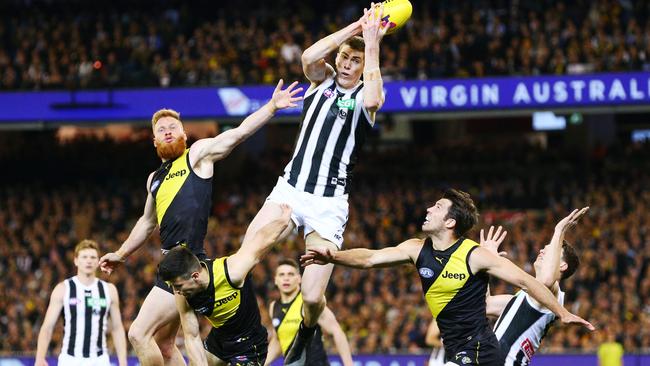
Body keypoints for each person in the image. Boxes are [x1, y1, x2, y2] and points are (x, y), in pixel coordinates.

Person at [98, 80, 302, 366]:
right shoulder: (153, 180)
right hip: (171, 268)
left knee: (138, 334)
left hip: (187, 265)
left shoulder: (197, 156)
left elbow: (239, 133)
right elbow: (146, 223)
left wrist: (271, 107)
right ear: (154, 141)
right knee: (166, 346)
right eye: (161, 130)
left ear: (184, 133)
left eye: (172, 127)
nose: (167, 131)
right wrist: (120, 254)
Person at [241, 5, 388, 364]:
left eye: (353, 61)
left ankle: (307, 332)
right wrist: (354, 25)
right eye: (343, 57)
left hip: (328, 204)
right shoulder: (320, 82)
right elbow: (309, 56)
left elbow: (374, 97)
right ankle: (239, 339)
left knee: (310, 297)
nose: (346, 64)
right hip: (290, 189)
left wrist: (371, 44)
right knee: (246, 254)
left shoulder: (361, 100)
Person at [301, 189, 595, 365]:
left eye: (438, 207)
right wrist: (334, 256)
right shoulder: (416, 249)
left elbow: (532, 281)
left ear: (451, 221)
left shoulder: (478, 256)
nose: (429, 209)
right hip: (467, 353)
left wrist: (562, 312)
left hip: (482, 354)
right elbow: (370, 258)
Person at [157, 205, 292, 366]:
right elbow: (191, 337)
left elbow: (261, 240)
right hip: (219, 341)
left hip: (248, 345)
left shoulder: (232, 271)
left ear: (195, 276)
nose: (175, 291)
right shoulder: (182, 294)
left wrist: (284, 220)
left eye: (178, 285)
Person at [484, 208, 589, 366]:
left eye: (549, 251)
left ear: (562, 265)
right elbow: (486, 305)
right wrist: (484, 267)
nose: (541, 250)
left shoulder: (553, 293)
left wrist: (559, 231)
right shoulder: (525, 299)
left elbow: (546, 279)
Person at [36, 240, 127, 366]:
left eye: (93, 257)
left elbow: (117, 328)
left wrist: (123, 362)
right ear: (76, 261)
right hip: (70, 360)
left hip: (100, 360)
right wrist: (40, 357)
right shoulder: (63, 289)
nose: (89, 261)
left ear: (98, 262)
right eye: (84, 257)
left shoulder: (109, 290)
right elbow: (47, 327)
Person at [265, 259, 353, 366]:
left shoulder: (309, 302)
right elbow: (278, 340)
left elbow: (337, 332)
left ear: (299, 278)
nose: (286, 278)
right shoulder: (273, 307)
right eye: (282, 274)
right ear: (275, 280)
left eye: (291, 274)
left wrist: (349, 364)